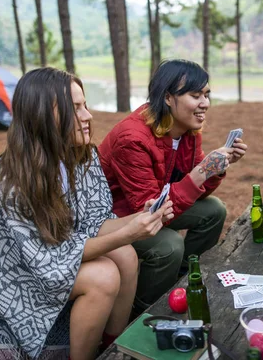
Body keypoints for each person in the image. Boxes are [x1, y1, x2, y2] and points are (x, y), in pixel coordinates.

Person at [0, 68, 173, 360]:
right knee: (103, 276)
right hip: (8, 276)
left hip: (53, 258)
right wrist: (129, 233)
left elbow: (95, 221)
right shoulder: (12, 179)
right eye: (75, 109)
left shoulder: (82, 157)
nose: (88, 116)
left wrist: (138, 219)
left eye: (84, 105)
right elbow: (50, 259)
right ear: (42, 116)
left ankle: (110, 347)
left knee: (126, 254)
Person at [99, 59, 248, 314]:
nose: (205, 104)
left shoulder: (188, 129)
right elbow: (150, 213)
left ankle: (181, 281)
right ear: (168, 97)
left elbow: (197, 191)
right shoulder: (132, 139)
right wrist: (201, 173)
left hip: (157, 206)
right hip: (117, 216)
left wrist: (215, 169)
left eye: (206, 95)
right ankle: (143, 309)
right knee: (168, 245)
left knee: (214, 210)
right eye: (195, 95)